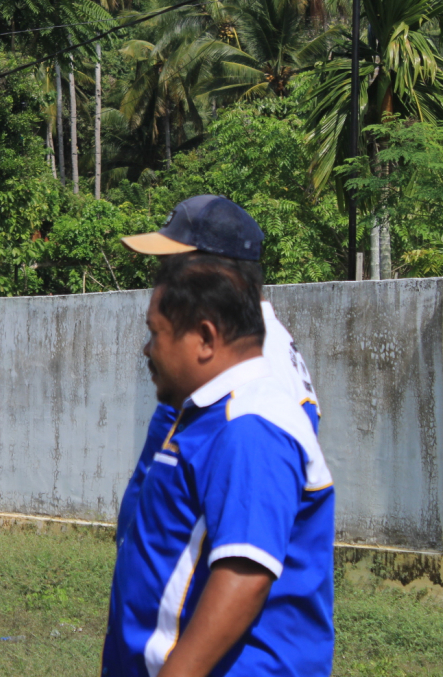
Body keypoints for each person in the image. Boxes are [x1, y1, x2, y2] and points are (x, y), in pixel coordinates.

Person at [101, 253, 335, 677]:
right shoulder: (205, 414)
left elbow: (244, 574)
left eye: (156, 333)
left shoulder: (250, 428)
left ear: (206, 339)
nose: (146, 348)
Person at [115, 194, 321, 540]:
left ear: (214, 274)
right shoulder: (232, 350)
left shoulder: (253, 359)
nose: (162, 280)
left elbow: (248, 542)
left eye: (172, 266)